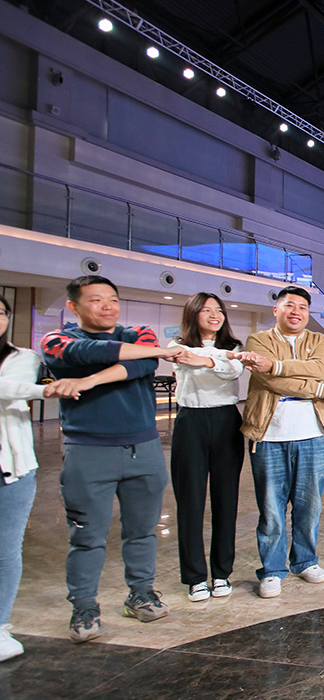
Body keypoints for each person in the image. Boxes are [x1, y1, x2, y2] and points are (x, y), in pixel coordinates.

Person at [41, 275, 180, 642]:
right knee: (87, 536)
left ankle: (141, 593)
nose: (107, 306)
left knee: (142, 530)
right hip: (88, 452)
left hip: (144, 449)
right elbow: (88, 353)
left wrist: (87, 381)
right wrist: (148, 354)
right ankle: (84, 606)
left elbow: (143, 365)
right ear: (73, 306)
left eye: (113, 300)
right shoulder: (56, 341)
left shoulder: (139, 333)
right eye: (96, 300)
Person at [239, 286, 324, 599]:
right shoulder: (257, 341)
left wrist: (276, 366)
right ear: (276, 310)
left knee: (310, 506)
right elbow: (266, 379)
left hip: (312, 435)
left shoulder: (318, 340)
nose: (296, 312)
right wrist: (319, 389)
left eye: (303, 307)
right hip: (269, 435)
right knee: (271, 508)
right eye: (289, 306)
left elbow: (319, 369)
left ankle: (305, 561)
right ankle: (272, 570)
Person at [168, 293, 246, 603]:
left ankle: (222, 573)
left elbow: (234, 370)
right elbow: (184, 359)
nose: (214, 315)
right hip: (191, 421)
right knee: (190, 501)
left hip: (226, 420)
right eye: (206, 310)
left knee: (226, 500)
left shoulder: (234, 347)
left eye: (219, 310)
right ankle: (195, 577)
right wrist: (213, 359)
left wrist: (207, 360)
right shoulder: (177, 345)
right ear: (193, 314)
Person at [0, 295, 63, 660]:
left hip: (13, 467)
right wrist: (42, 391)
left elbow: (10, 387)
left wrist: (34, 388)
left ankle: (0, 625)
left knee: (6, 550)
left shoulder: (24, 358)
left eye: (0, 312)